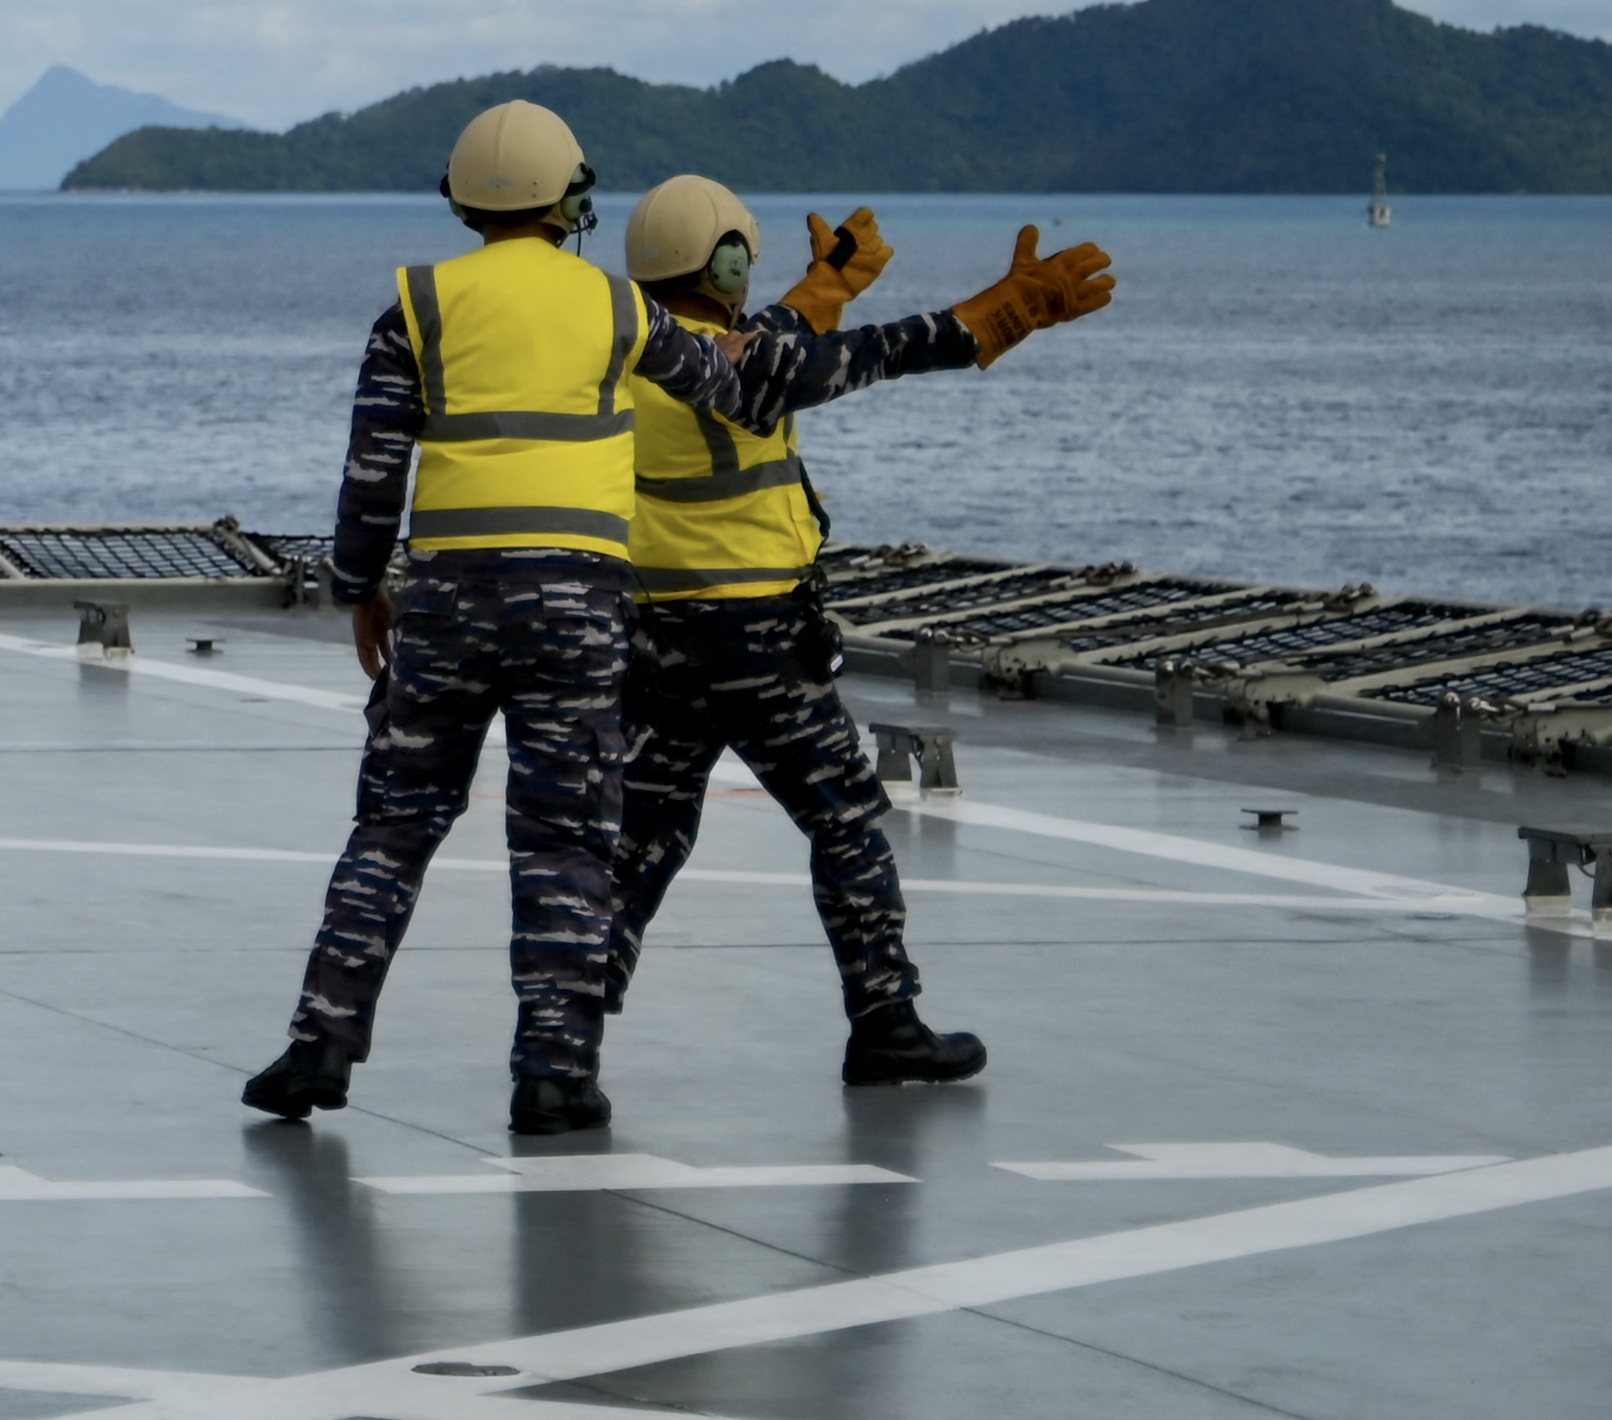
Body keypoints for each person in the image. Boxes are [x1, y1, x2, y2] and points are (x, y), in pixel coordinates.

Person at [241, 101, 866, 1143]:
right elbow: (729, 386)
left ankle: (320, 1044)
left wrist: (360, 588)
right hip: (578, 605)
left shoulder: (416, 308)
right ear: (571, 199)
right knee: (566, 837)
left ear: (460, 200)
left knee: (394, 823)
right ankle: (554, 1075)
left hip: (446, 602)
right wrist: (816, 311)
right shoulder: (618, 307)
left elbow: (371, 471)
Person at [598, 179, 1113, 1086]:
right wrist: (1001, 311)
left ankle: (565, 1032)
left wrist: (826, 285)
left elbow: (772, 340)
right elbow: (873, 353)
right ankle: (883, 1019)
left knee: (641, 840)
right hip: (758, 640)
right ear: (725, 262)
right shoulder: (750, 367)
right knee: (844, 822)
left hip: (658, 637)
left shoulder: (631, 357)